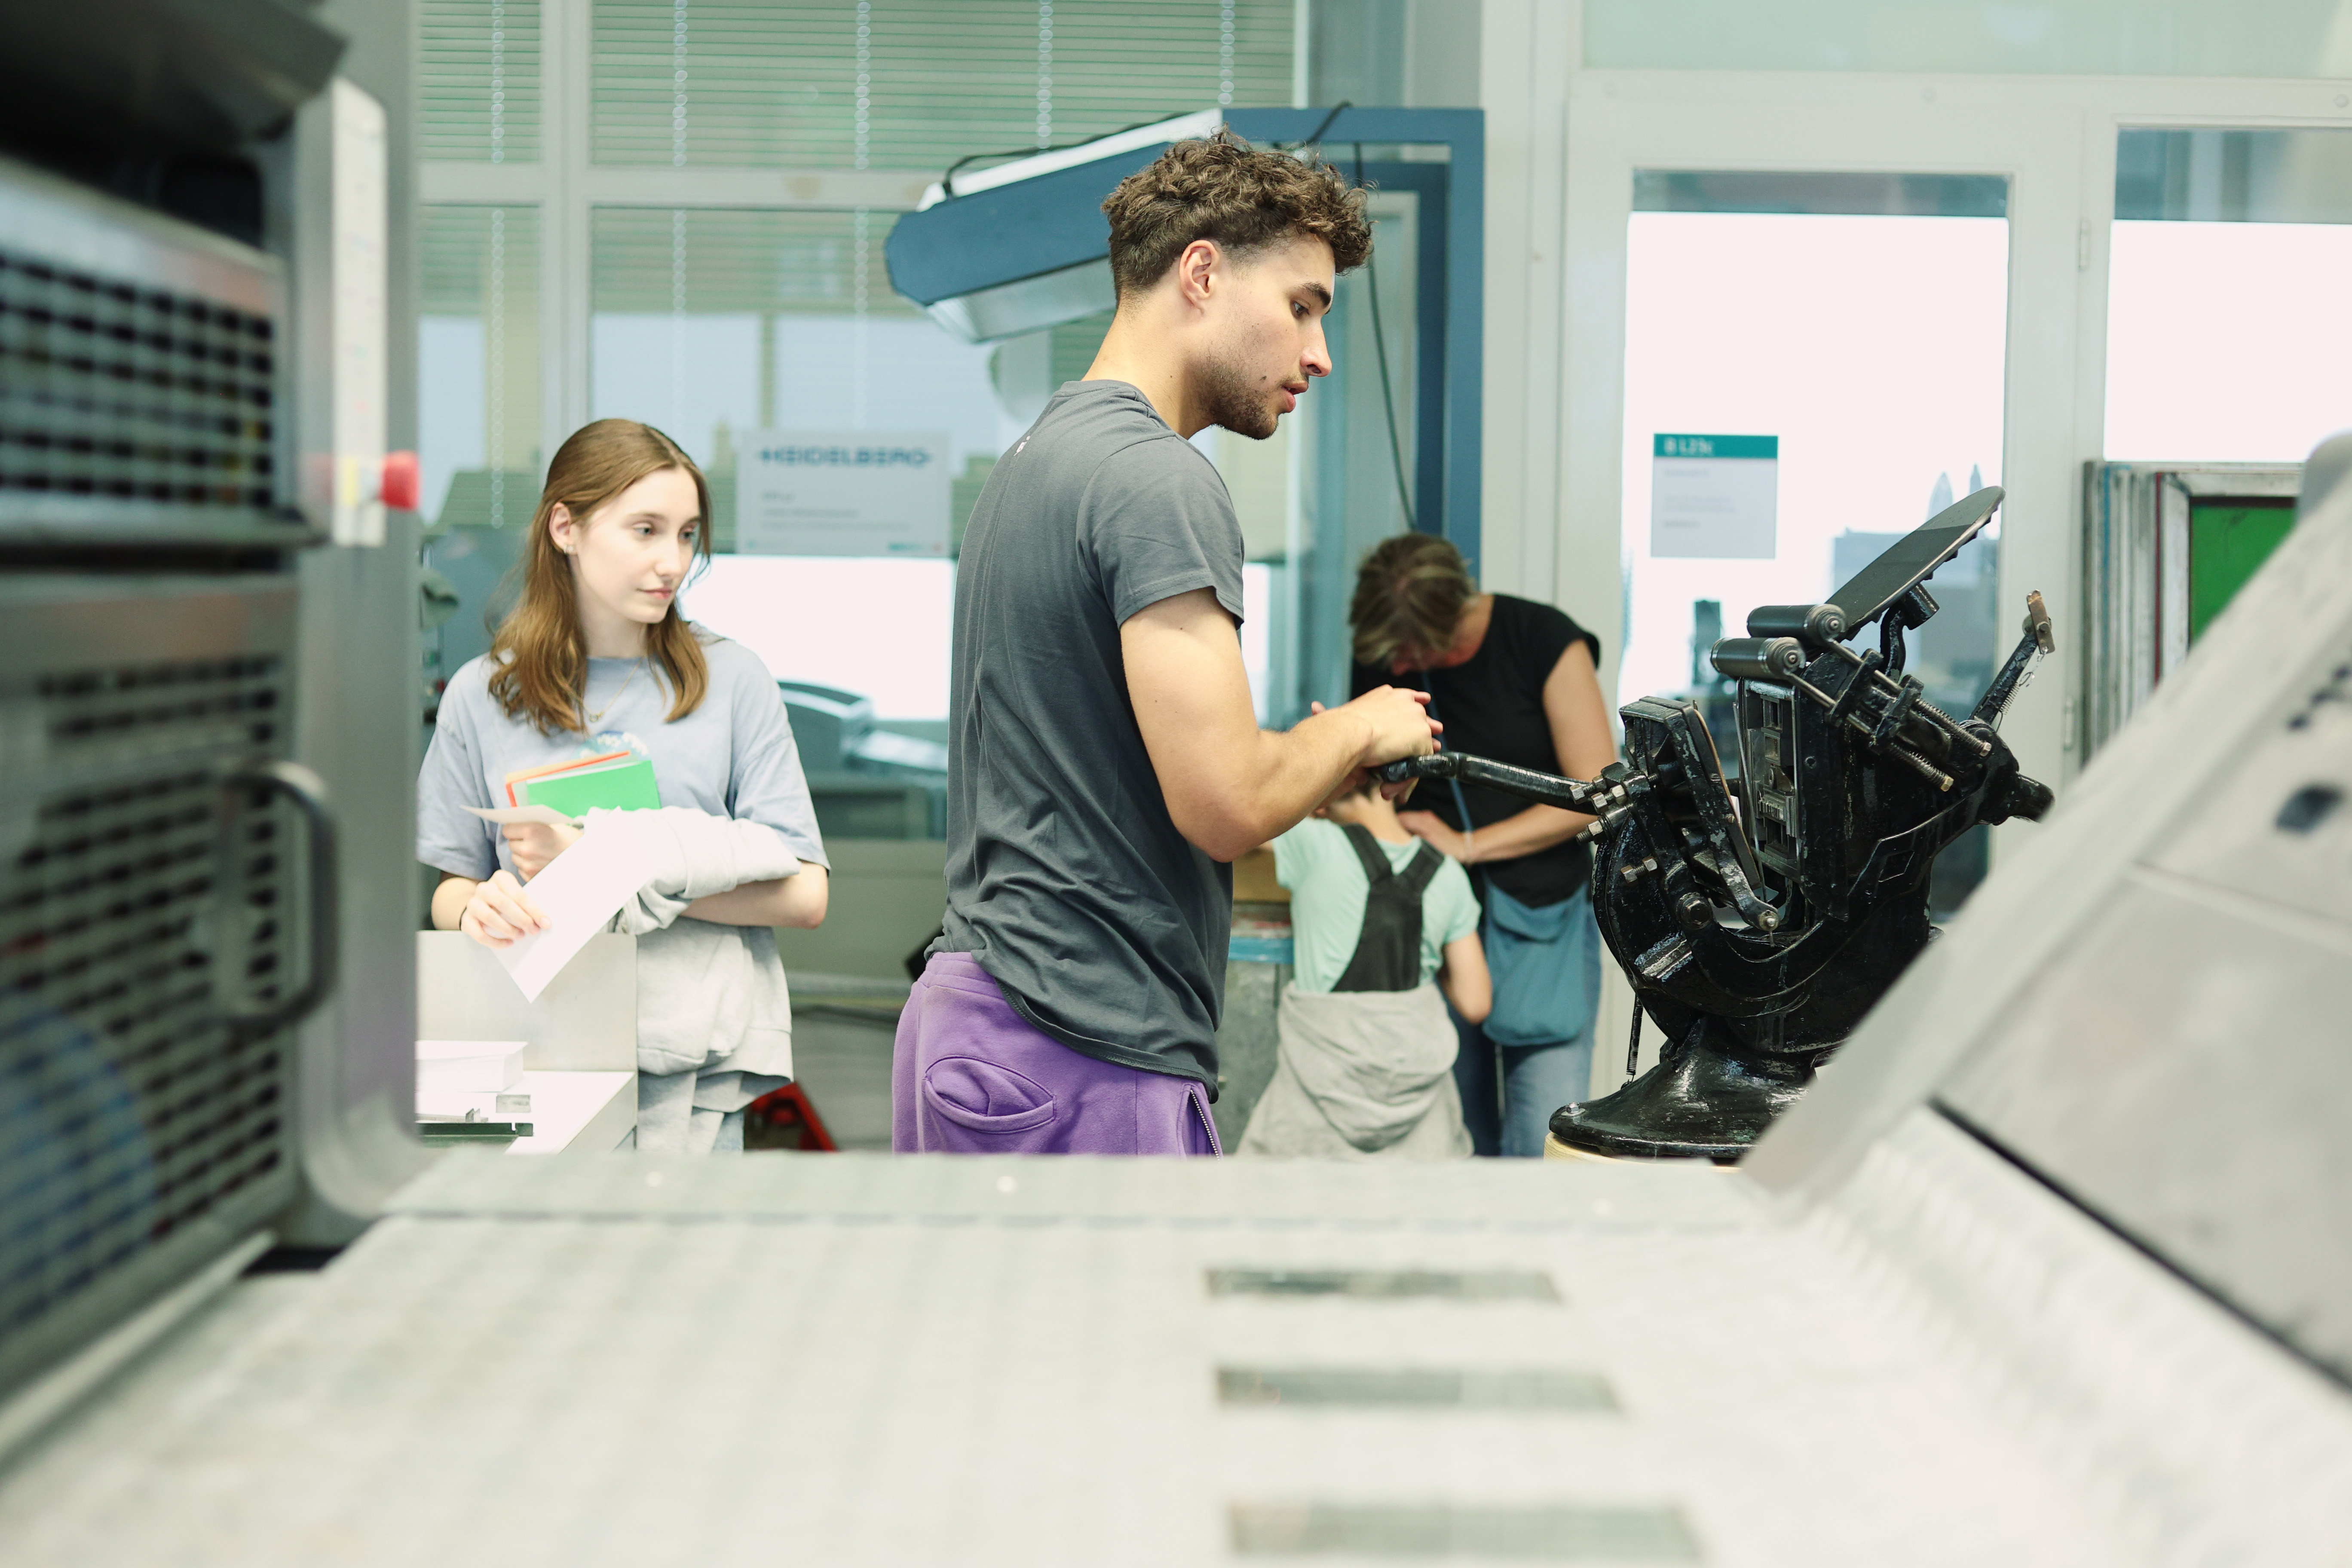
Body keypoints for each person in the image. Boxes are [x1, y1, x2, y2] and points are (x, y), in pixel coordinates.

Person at [897, 130, 1439, 1157]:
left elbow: (1102, 761)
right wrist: (1365, 728)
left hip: (982, 1013)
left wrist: (1303, 770)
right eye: (1302, 306)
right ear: (1201, 272)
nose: (1318, 354)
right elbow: (1227, 803)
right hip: (1079, 1040)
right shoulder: (1159, 480)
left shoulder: (1038, 458)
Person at [417, 419, 830, 1154]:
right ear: (566, 527)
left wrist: (611, 869)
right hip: (535, 1048)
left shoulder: (733, 679)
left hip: (689, 1063)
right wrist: (476, 906)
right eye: (645, 529)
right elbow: (450, 889)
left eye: (686, 534)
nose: (671, 560)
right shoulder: (481, 694)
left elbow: (805, 895)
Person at [1349, 533, 1617, 1157]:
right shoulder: (1387, 651)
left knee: (1541, 1137)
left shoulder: (1542, 640)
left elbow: (1595, 793)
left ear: (1450, 624)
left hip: (1542, 915)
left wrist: (1470, 844)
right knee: (1452, 1137)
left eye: (1411, 652)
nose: (1394, 669)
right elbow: (1367, 789)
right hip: (1435, 923)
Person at [1235, 778, 1488, 1159]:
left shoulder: (1312, 843)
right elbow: (1475, 1002)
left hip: (1315, 1104)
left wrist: (1307, 787)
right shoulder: (1448, 873)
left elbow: (1235, 817)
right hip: (1419, 1124)